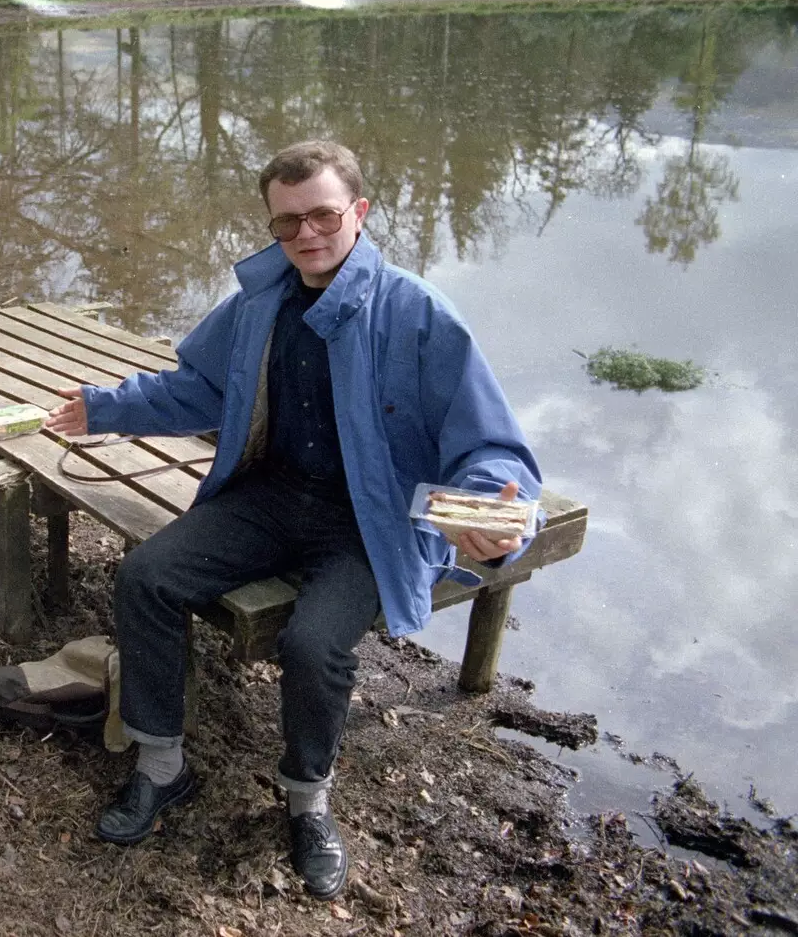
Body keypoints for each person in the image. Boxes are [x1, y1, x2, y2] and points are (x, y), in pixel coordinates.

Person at [44, 140, 539, 900]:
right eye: (286, 223)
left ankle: (308, 799)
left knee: (313, 644)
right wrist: (106, 407)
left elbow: (493, 449)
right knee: (147, 575)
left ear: (360, 213)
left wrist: (497, 514)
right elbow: (196, 388)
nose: (306, 235)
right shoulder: (259, 303)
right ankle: (161, 765)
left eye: (323, 215)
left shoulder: (417, 313)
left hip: (368, 521)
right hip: (272, 496)